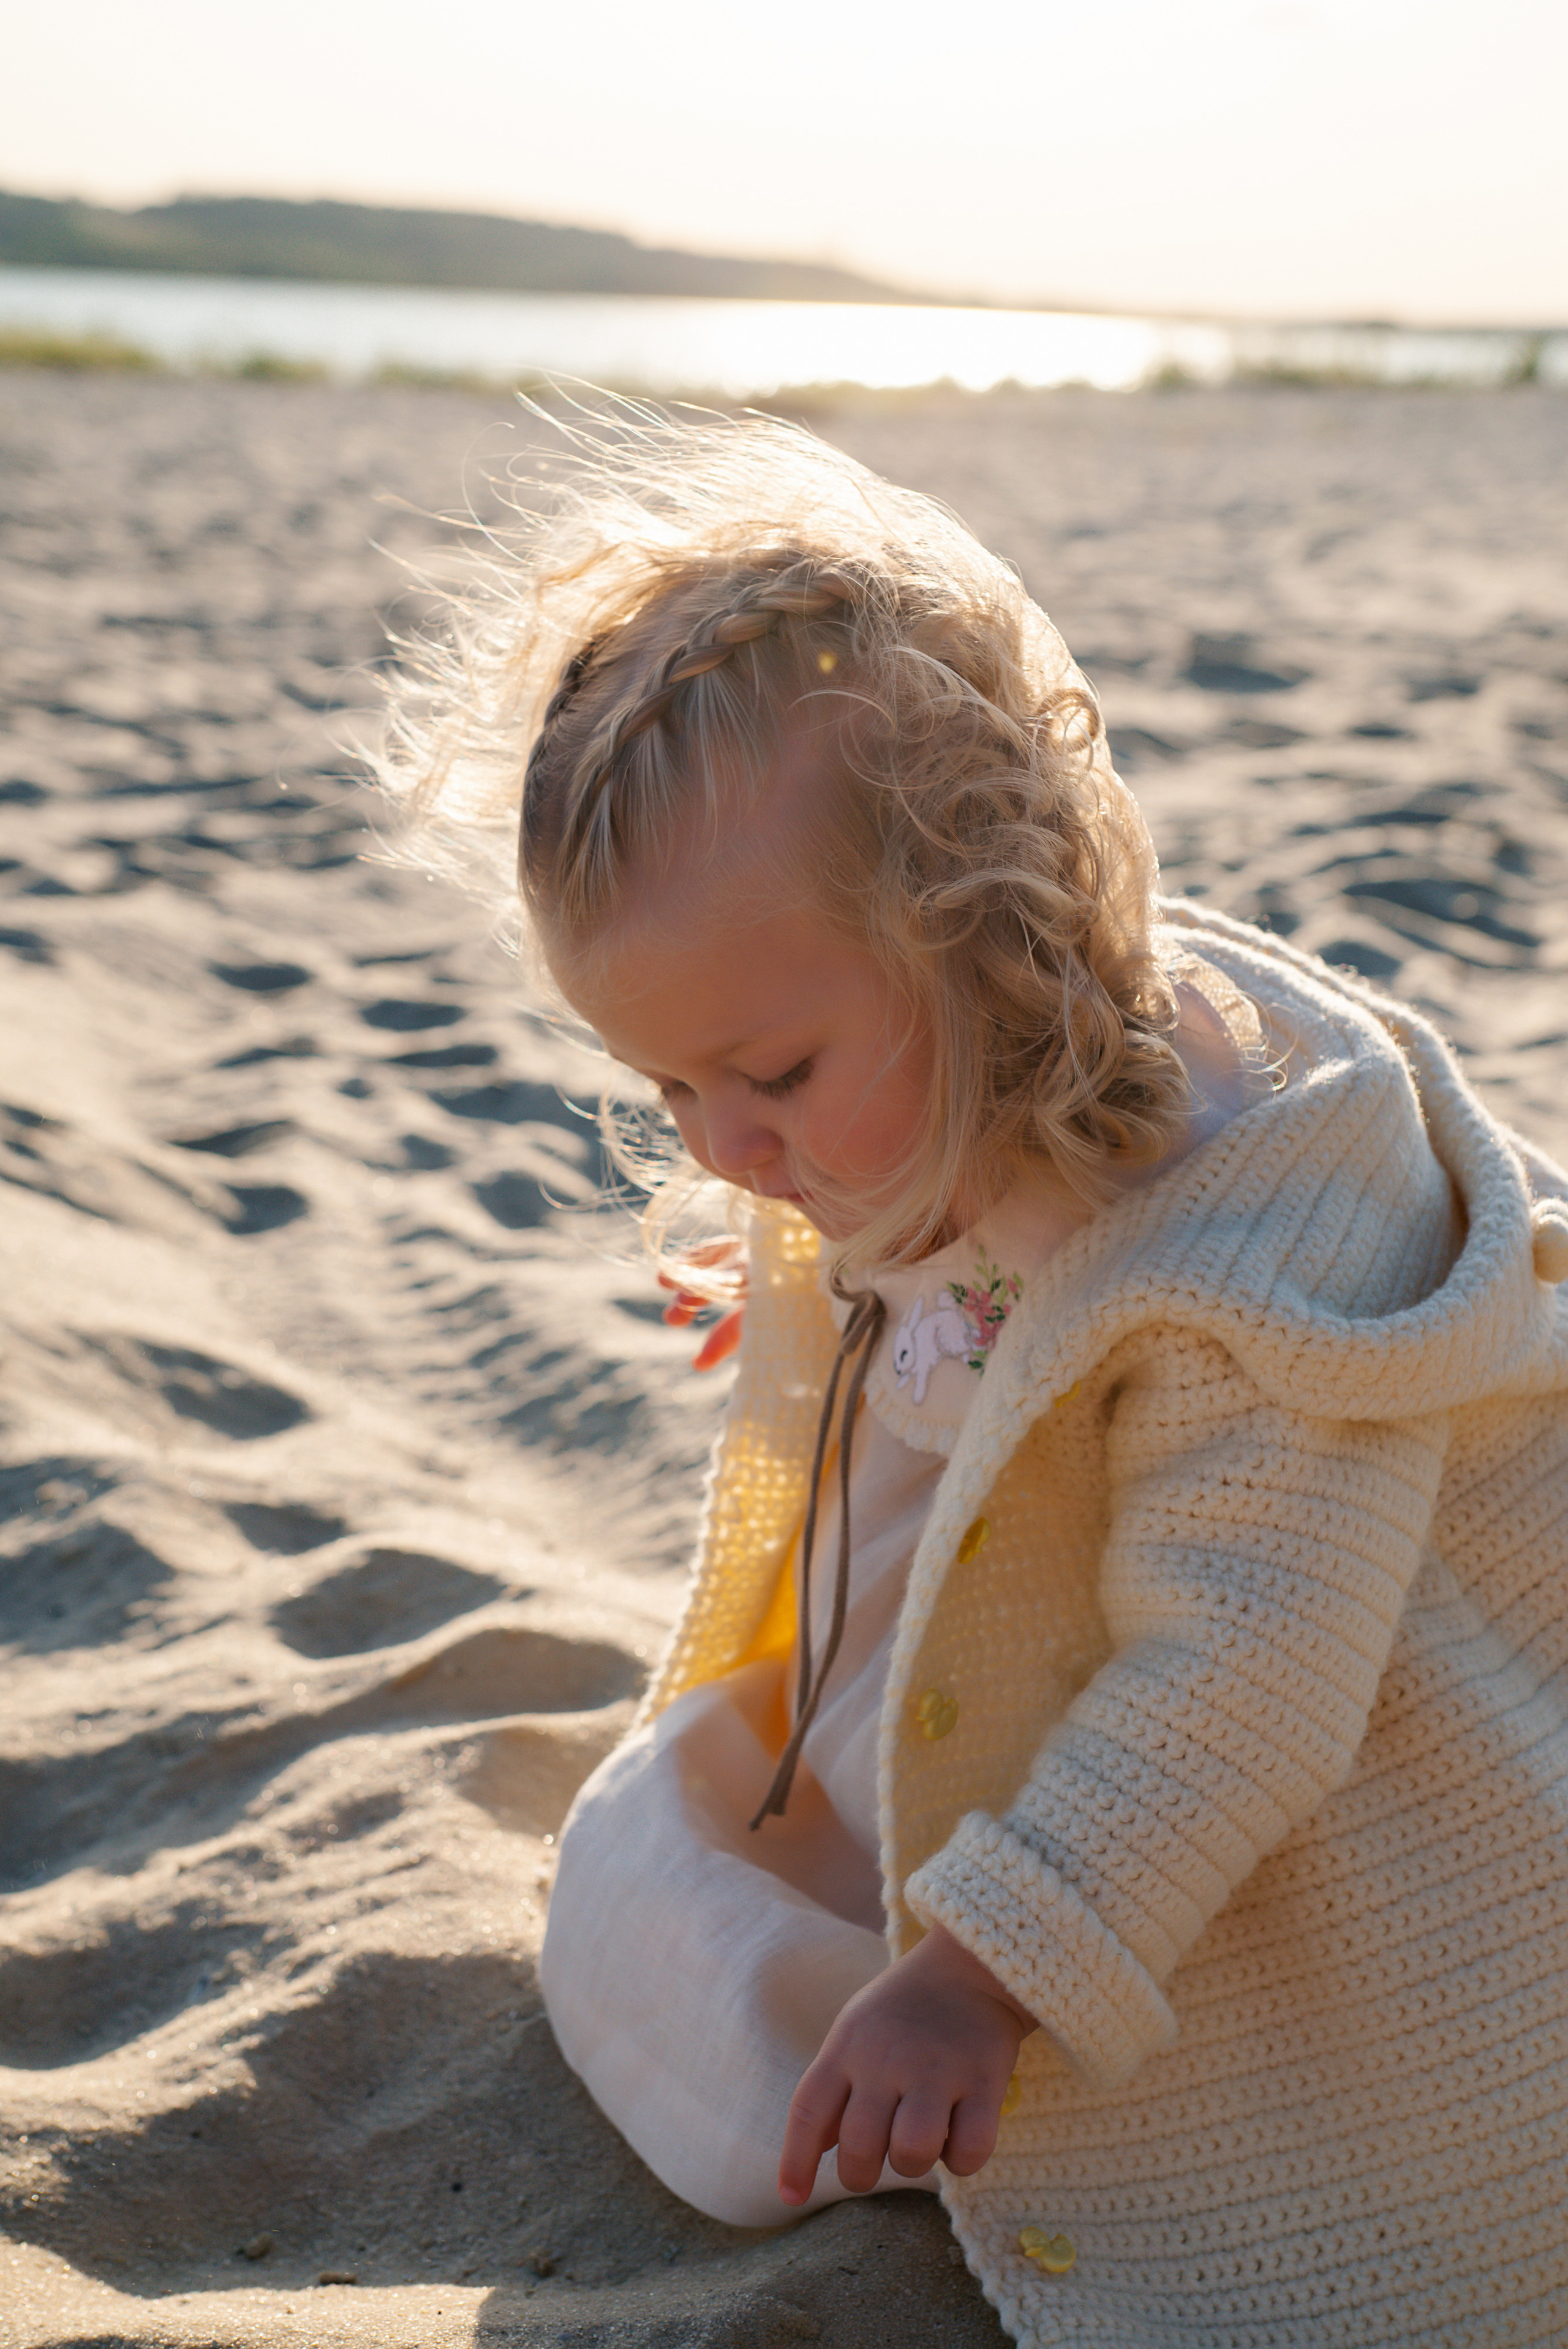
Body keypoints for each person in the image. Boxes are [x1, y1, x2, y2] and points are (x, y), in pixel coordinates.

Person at [378, 407, 1568, 2343]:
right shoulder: (936, 1084)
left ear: (991, 941)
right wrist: (833, 1278)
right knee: (674, 1871)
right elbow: (938, 1268)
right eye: (666, 1084)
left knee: (1092, 2081)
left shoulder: (1246, 1254)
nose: (720, 1143)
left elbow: (1243, 1680)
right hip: (1034, 1636)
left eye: (765, 1078)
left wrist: (981, 1978)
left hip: (1327, 1739)